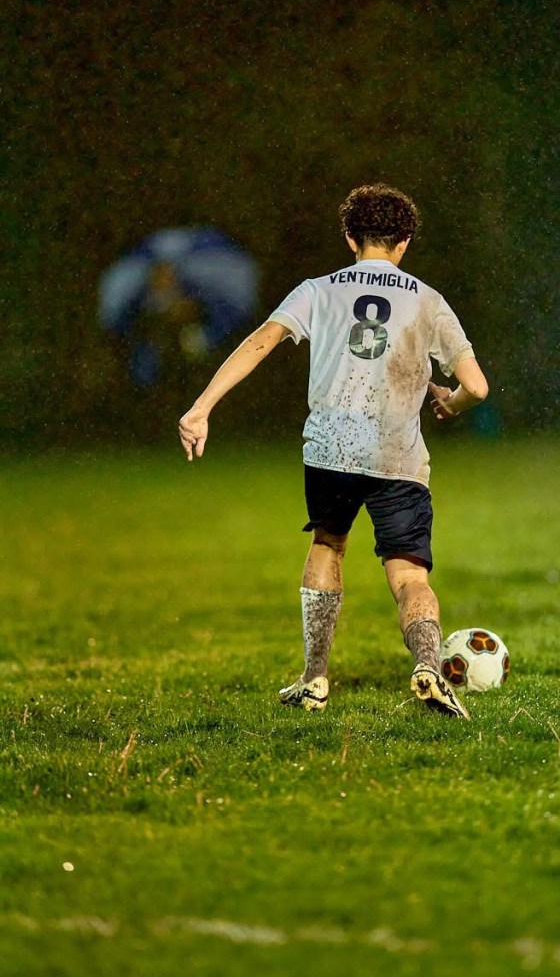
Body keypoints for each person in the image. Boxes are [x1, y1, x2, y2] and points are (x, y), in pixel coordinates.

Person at [179, 184, 489, 718]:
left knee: (328, 546)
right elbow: (477, 387)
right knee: (409, 575)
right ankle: (428, 668)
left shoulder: (318, 290)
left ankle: (315, 679)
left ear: (350, 237)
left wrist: (201, 407)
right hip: (398, 456)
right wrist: (450, 402)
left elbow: (261, 341)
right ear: (404, 242)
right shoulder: (428, 300)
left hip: (331, 450)